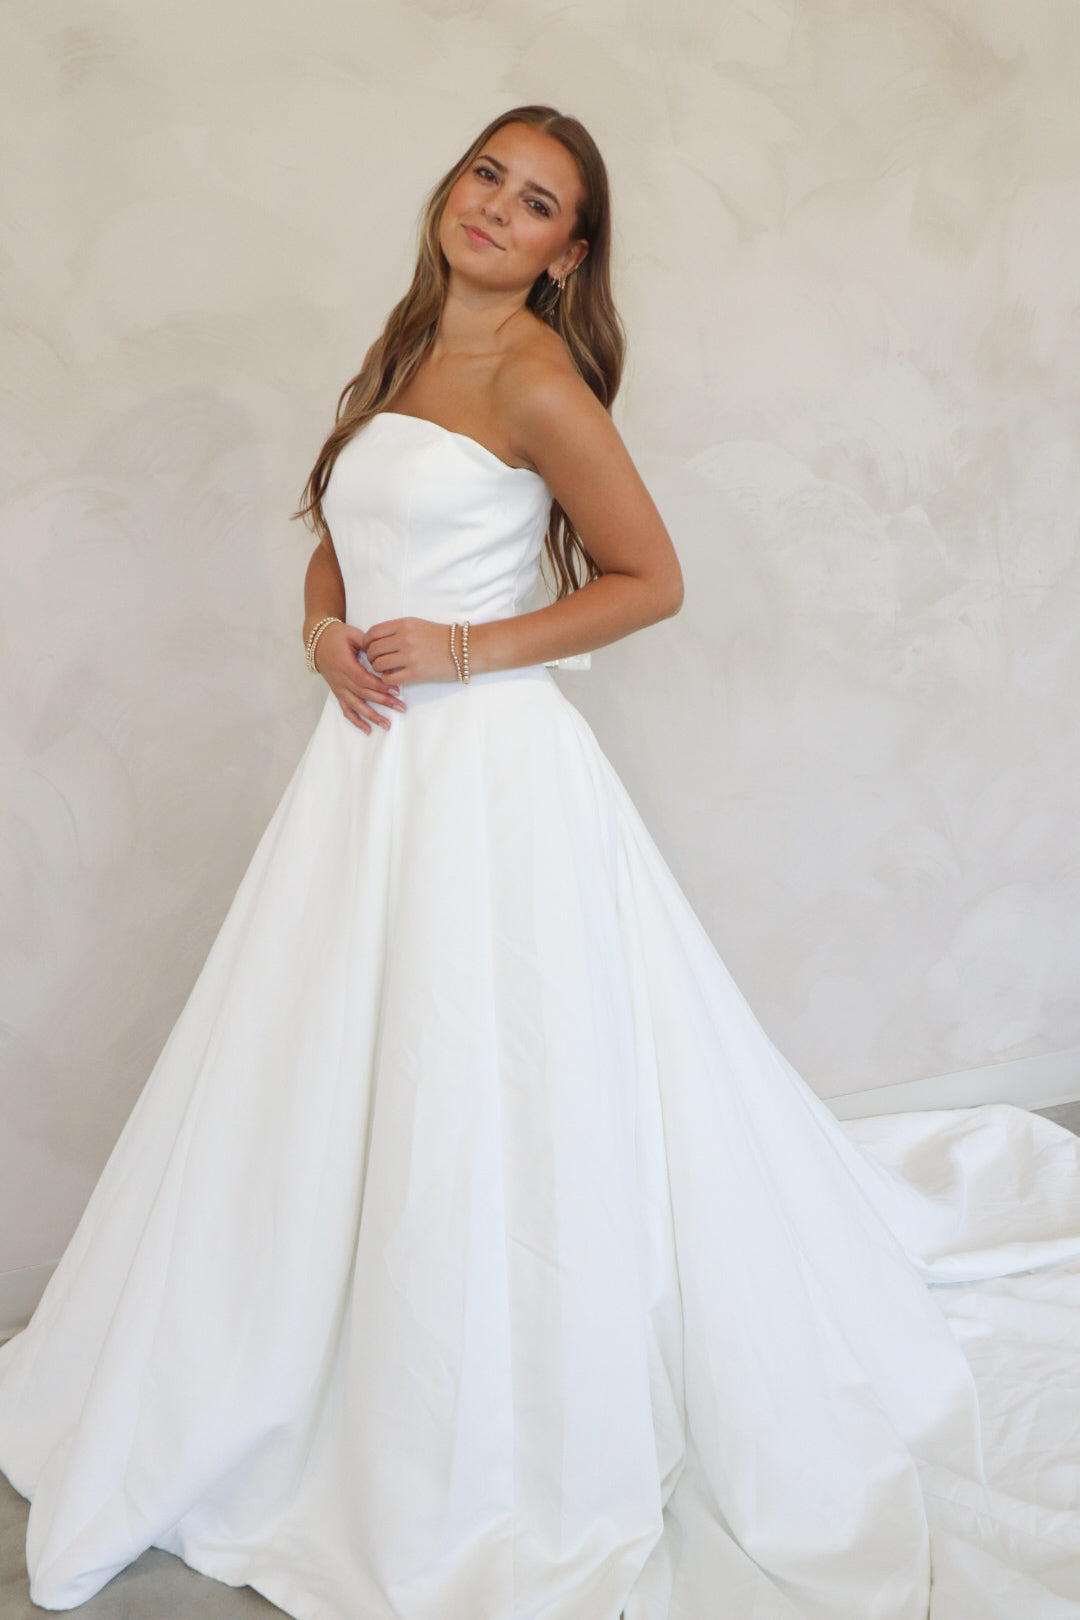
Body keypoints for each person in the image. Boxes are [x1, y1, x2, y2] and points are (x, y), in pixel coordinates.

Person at [2, 102, 1080, 1620]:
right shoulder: (401, 351)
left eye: (536, 203)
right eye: (486, 176)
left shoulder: (537, 379)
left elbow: (653, 578)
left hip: (491, 777)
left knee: (483, 1060)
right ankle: (299, 1357)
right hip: (365, 774)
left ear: (569, 253)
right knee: (332, 1058)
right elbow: (337, 534)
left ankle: (472, 1389)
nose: (496, 209)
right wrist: (323, 632)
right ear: (452, 188)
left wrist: (464, 646)